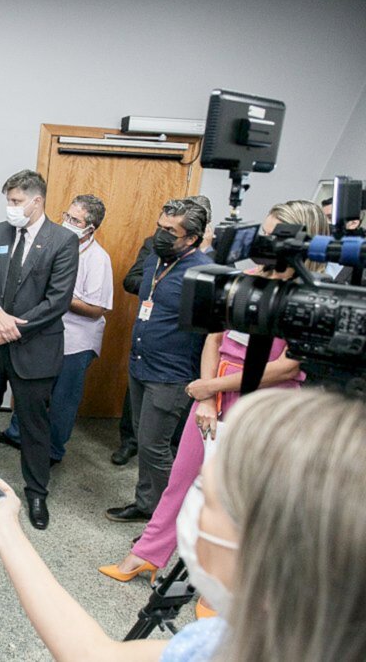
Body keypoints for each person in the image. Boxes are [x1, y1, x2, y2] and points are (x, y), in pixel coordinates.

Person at [0, 387, 366, 661]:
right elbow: (93, 654)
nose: (194, 513)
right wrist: (5, 526)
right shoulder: (223, 643)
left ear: (266, 550)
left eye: (208, 499)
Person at [100, 200, 321, 586]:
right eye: (263, 231)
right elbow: (213, 338)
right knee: (179, 481)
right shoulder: (244, 277)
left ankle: (218, 586)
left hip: (264, 399)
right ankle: (146, 555)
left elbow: (289, 365)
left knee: (238, 497)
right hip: (215, 389)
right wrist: (206, 397)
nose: (263, 240)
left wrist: (212, 388)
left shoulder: (307, 296)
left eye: (273, 235)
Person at [0, 170, 79, 530]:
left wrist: (8, 330)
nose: (10, 208)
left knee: (35, 426)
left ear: (36, 201)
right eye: (8, 201)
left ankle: (37, 492)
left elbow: (57, 301)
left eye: (16, 202)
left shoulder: (62, 241)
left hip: (33, 350)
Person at [106, 198, 212, 523]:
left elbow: (213, 335)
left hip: (172, 375)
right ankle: (147, 503)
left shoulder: (203, 274)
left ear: (191, 238)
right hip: (141, 366)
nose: (161, 235)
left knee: (155, 447)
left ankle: (170, 519)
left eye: (170, 231)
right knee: (143, 438)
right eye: (160, 227)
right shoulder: (156, 258)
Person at [0, 194, 113, 465]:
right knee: (31, 388)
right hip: (44, 331)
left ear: (90, 228)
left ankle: (53, 450)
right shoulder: (54, 244)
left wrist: (58, 296)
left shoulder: (98, 258)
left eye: (75, 220)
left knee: (62, 399)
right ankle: (16, 433)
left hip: (76, 341)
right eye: (67, 215)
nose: (67, 222)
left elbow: (97, 308)